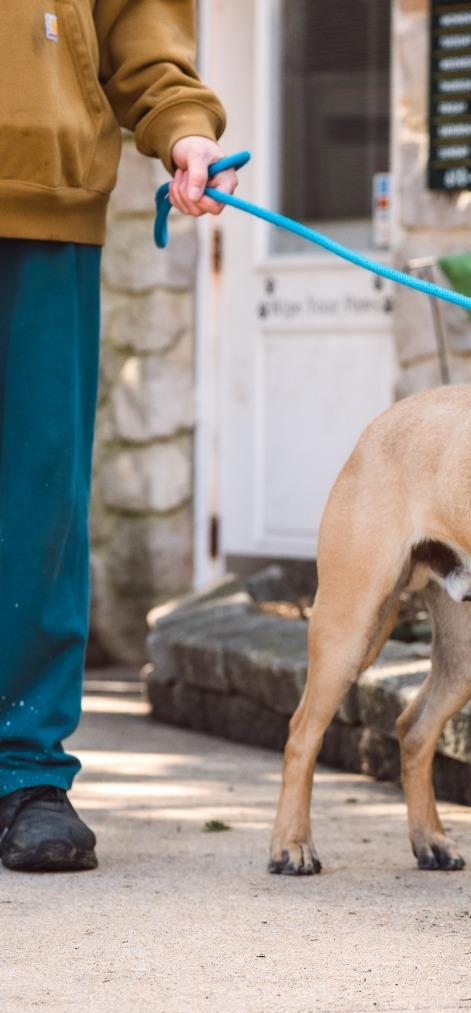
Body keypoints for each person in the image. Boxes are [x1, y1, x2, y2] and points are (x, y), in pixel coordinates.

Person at [0, 1, 237, 871]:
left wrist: (182, 128)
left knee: (39, 497)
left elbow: (138, 23)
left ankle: (23, 772)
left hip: (46, 209)